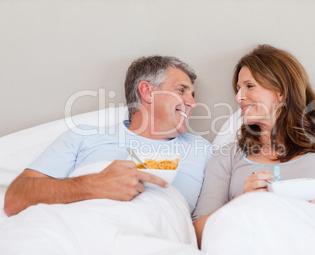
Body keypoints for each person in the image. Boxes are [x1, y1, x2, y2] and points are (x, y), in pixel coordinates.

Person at [192, 45, 315, 248]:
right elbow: (198, 234)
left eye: (249, 86)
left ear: (281, 92)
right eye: (238, 89)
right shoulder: (228, 157)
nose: (238, 97)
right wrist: (243, 200)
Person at [4, 55, 211, 217]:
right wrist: (92, 185)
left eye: (192, 94)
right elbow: (15, 198)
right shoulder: (84, 136)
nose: (192, 103)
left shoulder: (201, 150)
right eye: (182, 90)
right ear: (147, 92)